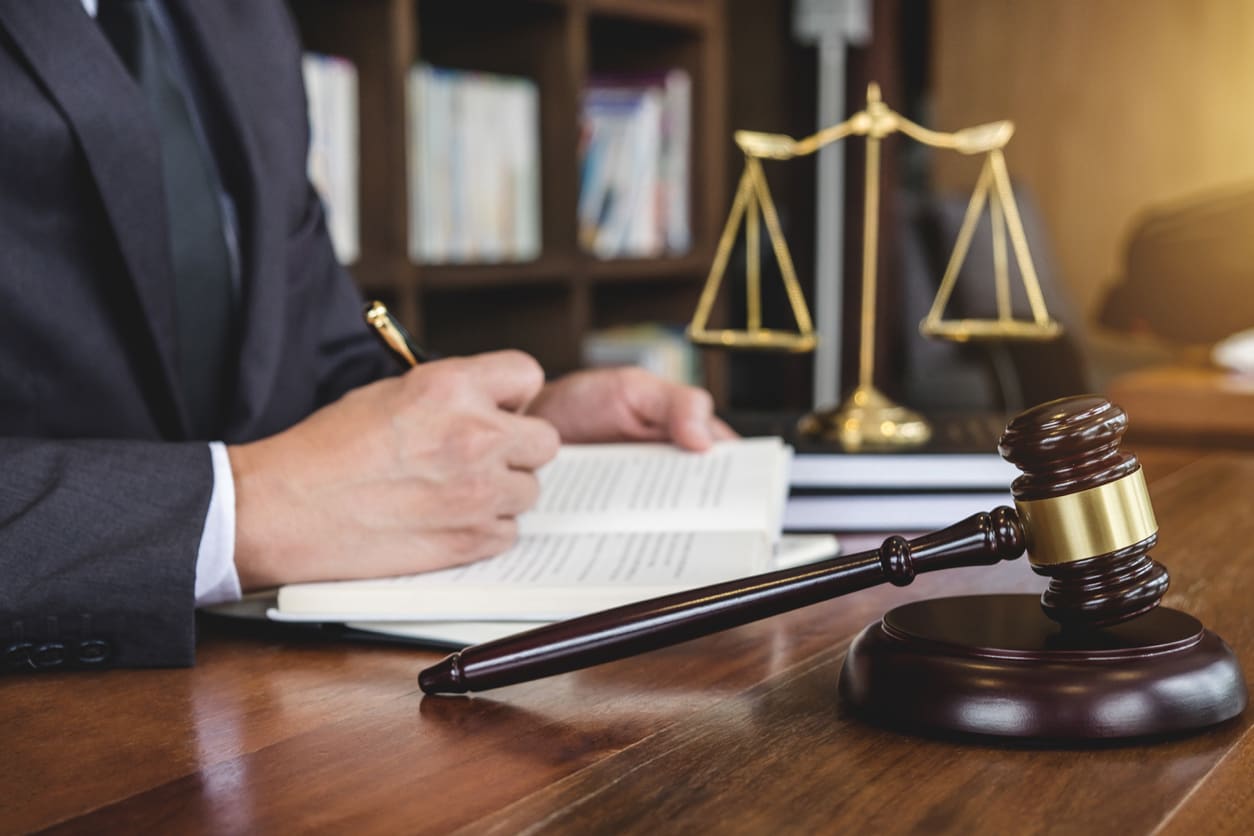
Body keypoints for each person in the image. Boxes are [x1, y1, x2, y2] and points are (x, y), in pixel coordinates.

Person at [0, 0, 733, 672]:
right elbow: (288, 482)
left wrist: (513, 429)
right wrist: (251, 510)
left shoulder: (242, 20)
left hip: (270, 701)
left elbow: (316, 354)